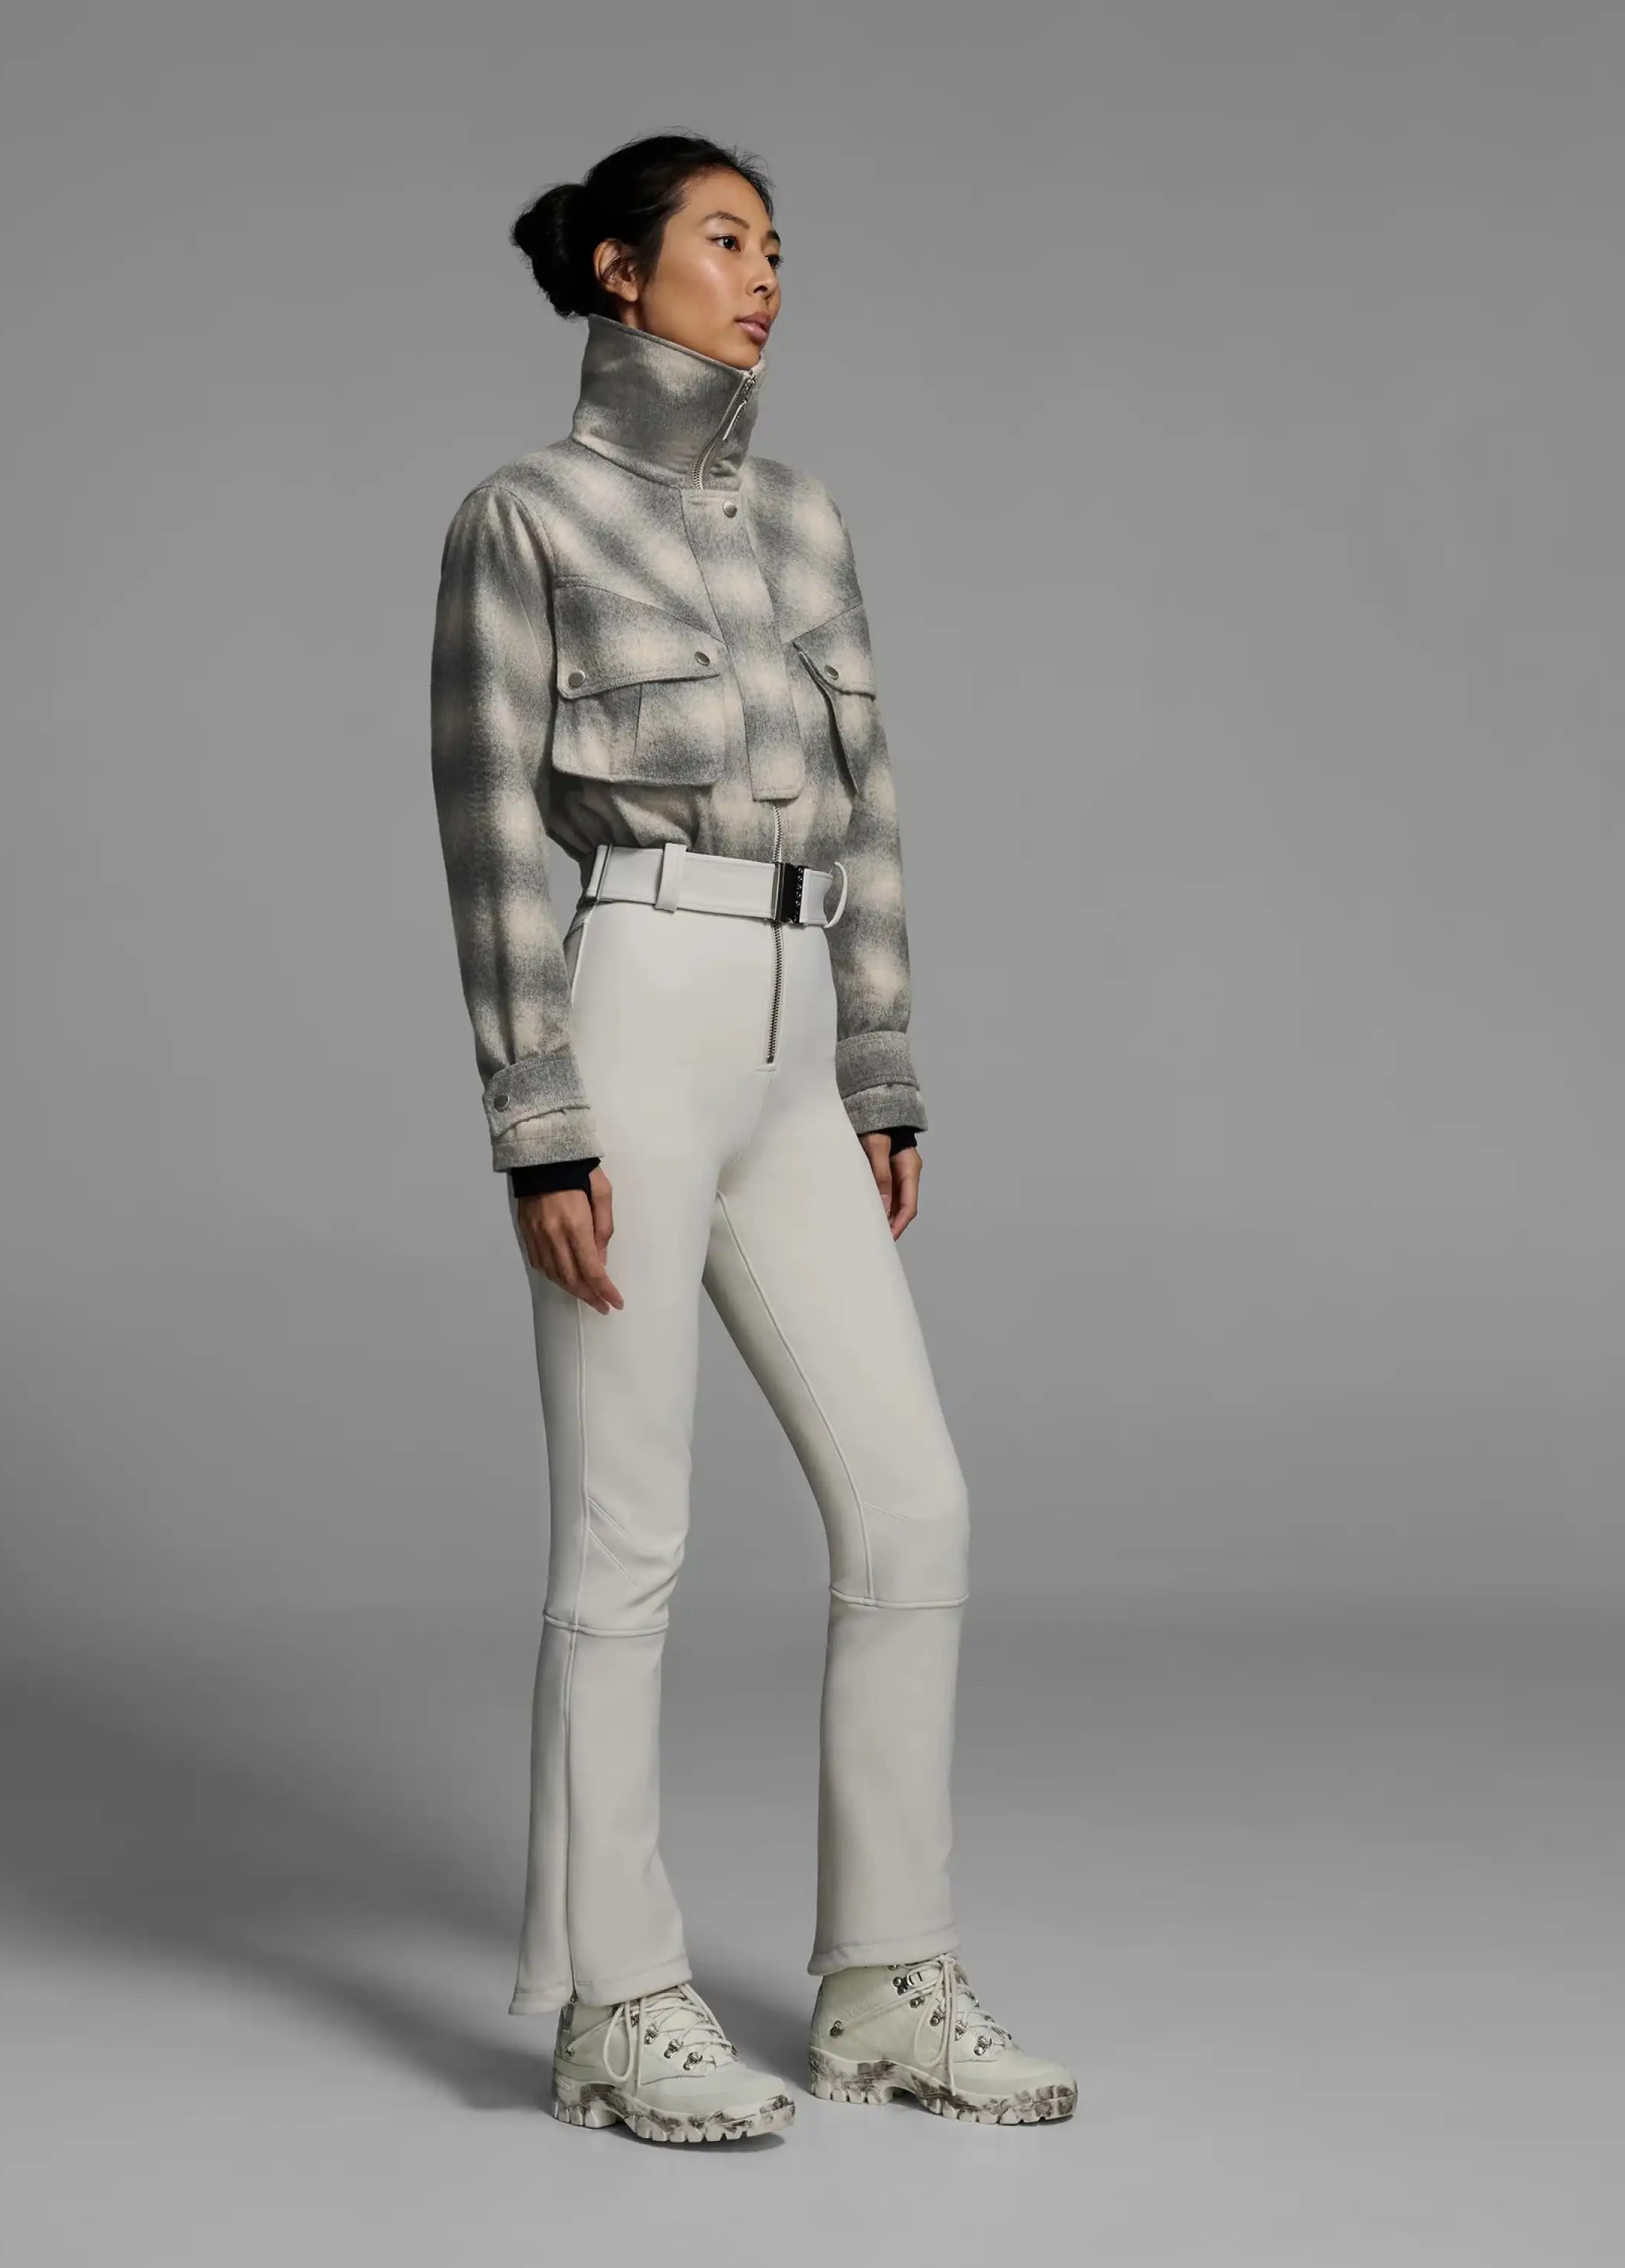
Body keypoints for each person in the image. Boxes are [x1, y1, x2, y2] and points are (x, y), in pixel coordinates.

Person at [429, 131, 1078, 2143]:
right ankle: (616, 2004)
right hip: (637, 1002)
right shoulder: (525, 517)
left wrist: (879, 1063)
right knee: (628, 1538)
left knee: (914, 1512)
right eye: (725, 240)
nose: (767, 274)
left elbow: (868, 805)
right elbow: (488, 832)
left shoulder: (805, 521)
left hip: (799, 1022)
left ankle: (885, 1982)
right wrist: (538, 1121)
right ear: (620, 273)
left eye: (779, 246)